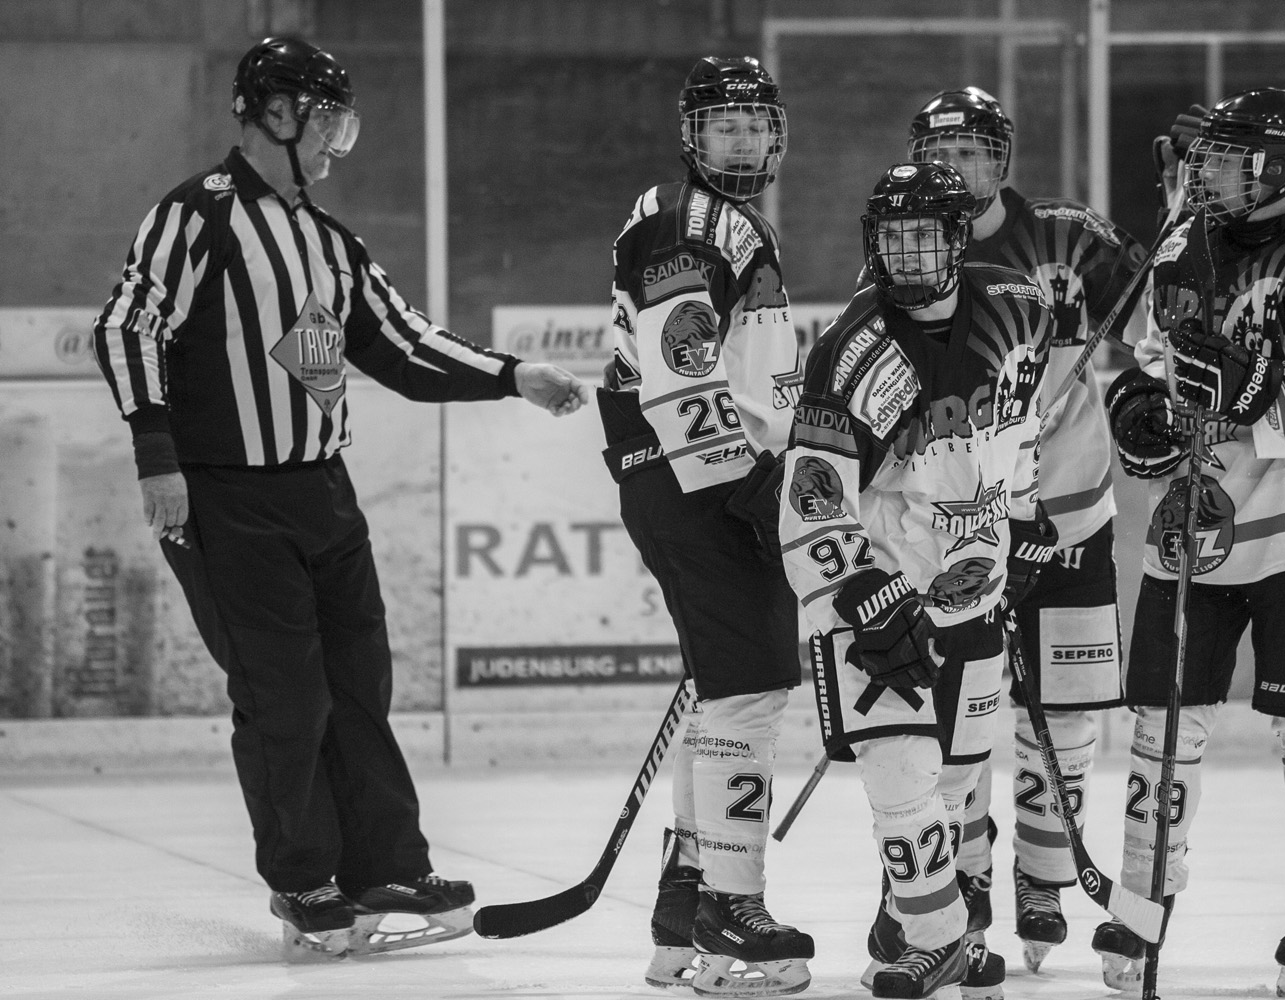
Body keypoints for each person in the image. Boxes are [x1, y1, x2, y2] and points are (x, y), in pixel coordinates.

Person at [91, 36, 588, 959]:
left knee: (360, 689)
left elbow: (401, 343)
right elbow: (128, 326)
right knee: (284, 696)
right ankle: (303, 879)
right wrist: (156, 455)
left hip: (323, 490)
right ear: (274, 113)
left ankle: (385, 866)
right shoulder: (197, 214)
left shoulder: (324, 240)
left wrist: (514, 375)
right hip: (224, 498)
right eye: (325, 119)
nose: (336, 141)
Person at [1097, 87, 1285, 997]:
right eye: (1209, 157)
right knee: (1162, 725)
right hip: (1194, 520)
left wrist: (1251, 395)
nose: (1210, 174)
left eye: (1231, 159)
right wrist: (1138, 409)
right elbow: (1149, 362)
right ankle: (1143, 896)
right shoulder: (1179, 247)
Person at [779, 160, 1056, 1000]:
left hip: (974, 582)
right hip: (882, 598)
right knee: (900, 776)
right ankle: (937, 940)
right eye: (892, 238)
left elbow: (1018, 428)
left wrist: (1025, 518)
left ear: (958, 237)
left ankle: (919, 918)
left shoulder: (1020, 309)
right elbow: (812, 494)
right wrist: (858, 591)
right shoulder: (851, 351)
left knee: (959, 777)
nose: (908, 254)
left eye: (925, 236)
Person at [904, 86, 1149, 973]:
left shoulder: (1068, 237)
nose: (957, 167)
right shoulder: (908, 245)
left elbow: (1157, 327)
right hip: (963, 532)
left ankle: (1042, 879)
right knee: (962, 718)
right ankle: (965, 879)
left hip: (1073, 516)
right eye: (942, 153)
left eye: (973, 150)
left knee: (1069, 718)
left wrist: (1142, 379)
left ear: (1002, 159)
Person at [596, 55, 813, 996]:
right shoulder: (689, 223)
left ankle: (683, 917)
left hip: (696, 478)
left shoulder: (724, 221)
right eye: (725, 125)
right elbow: (682, 376)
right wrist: (758, 493)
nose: (744, 141)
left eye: (757, 124)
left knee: (728, 695)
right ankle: (731, 908)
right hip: (699, 478)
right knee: (752, 693)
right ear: (692, 136)